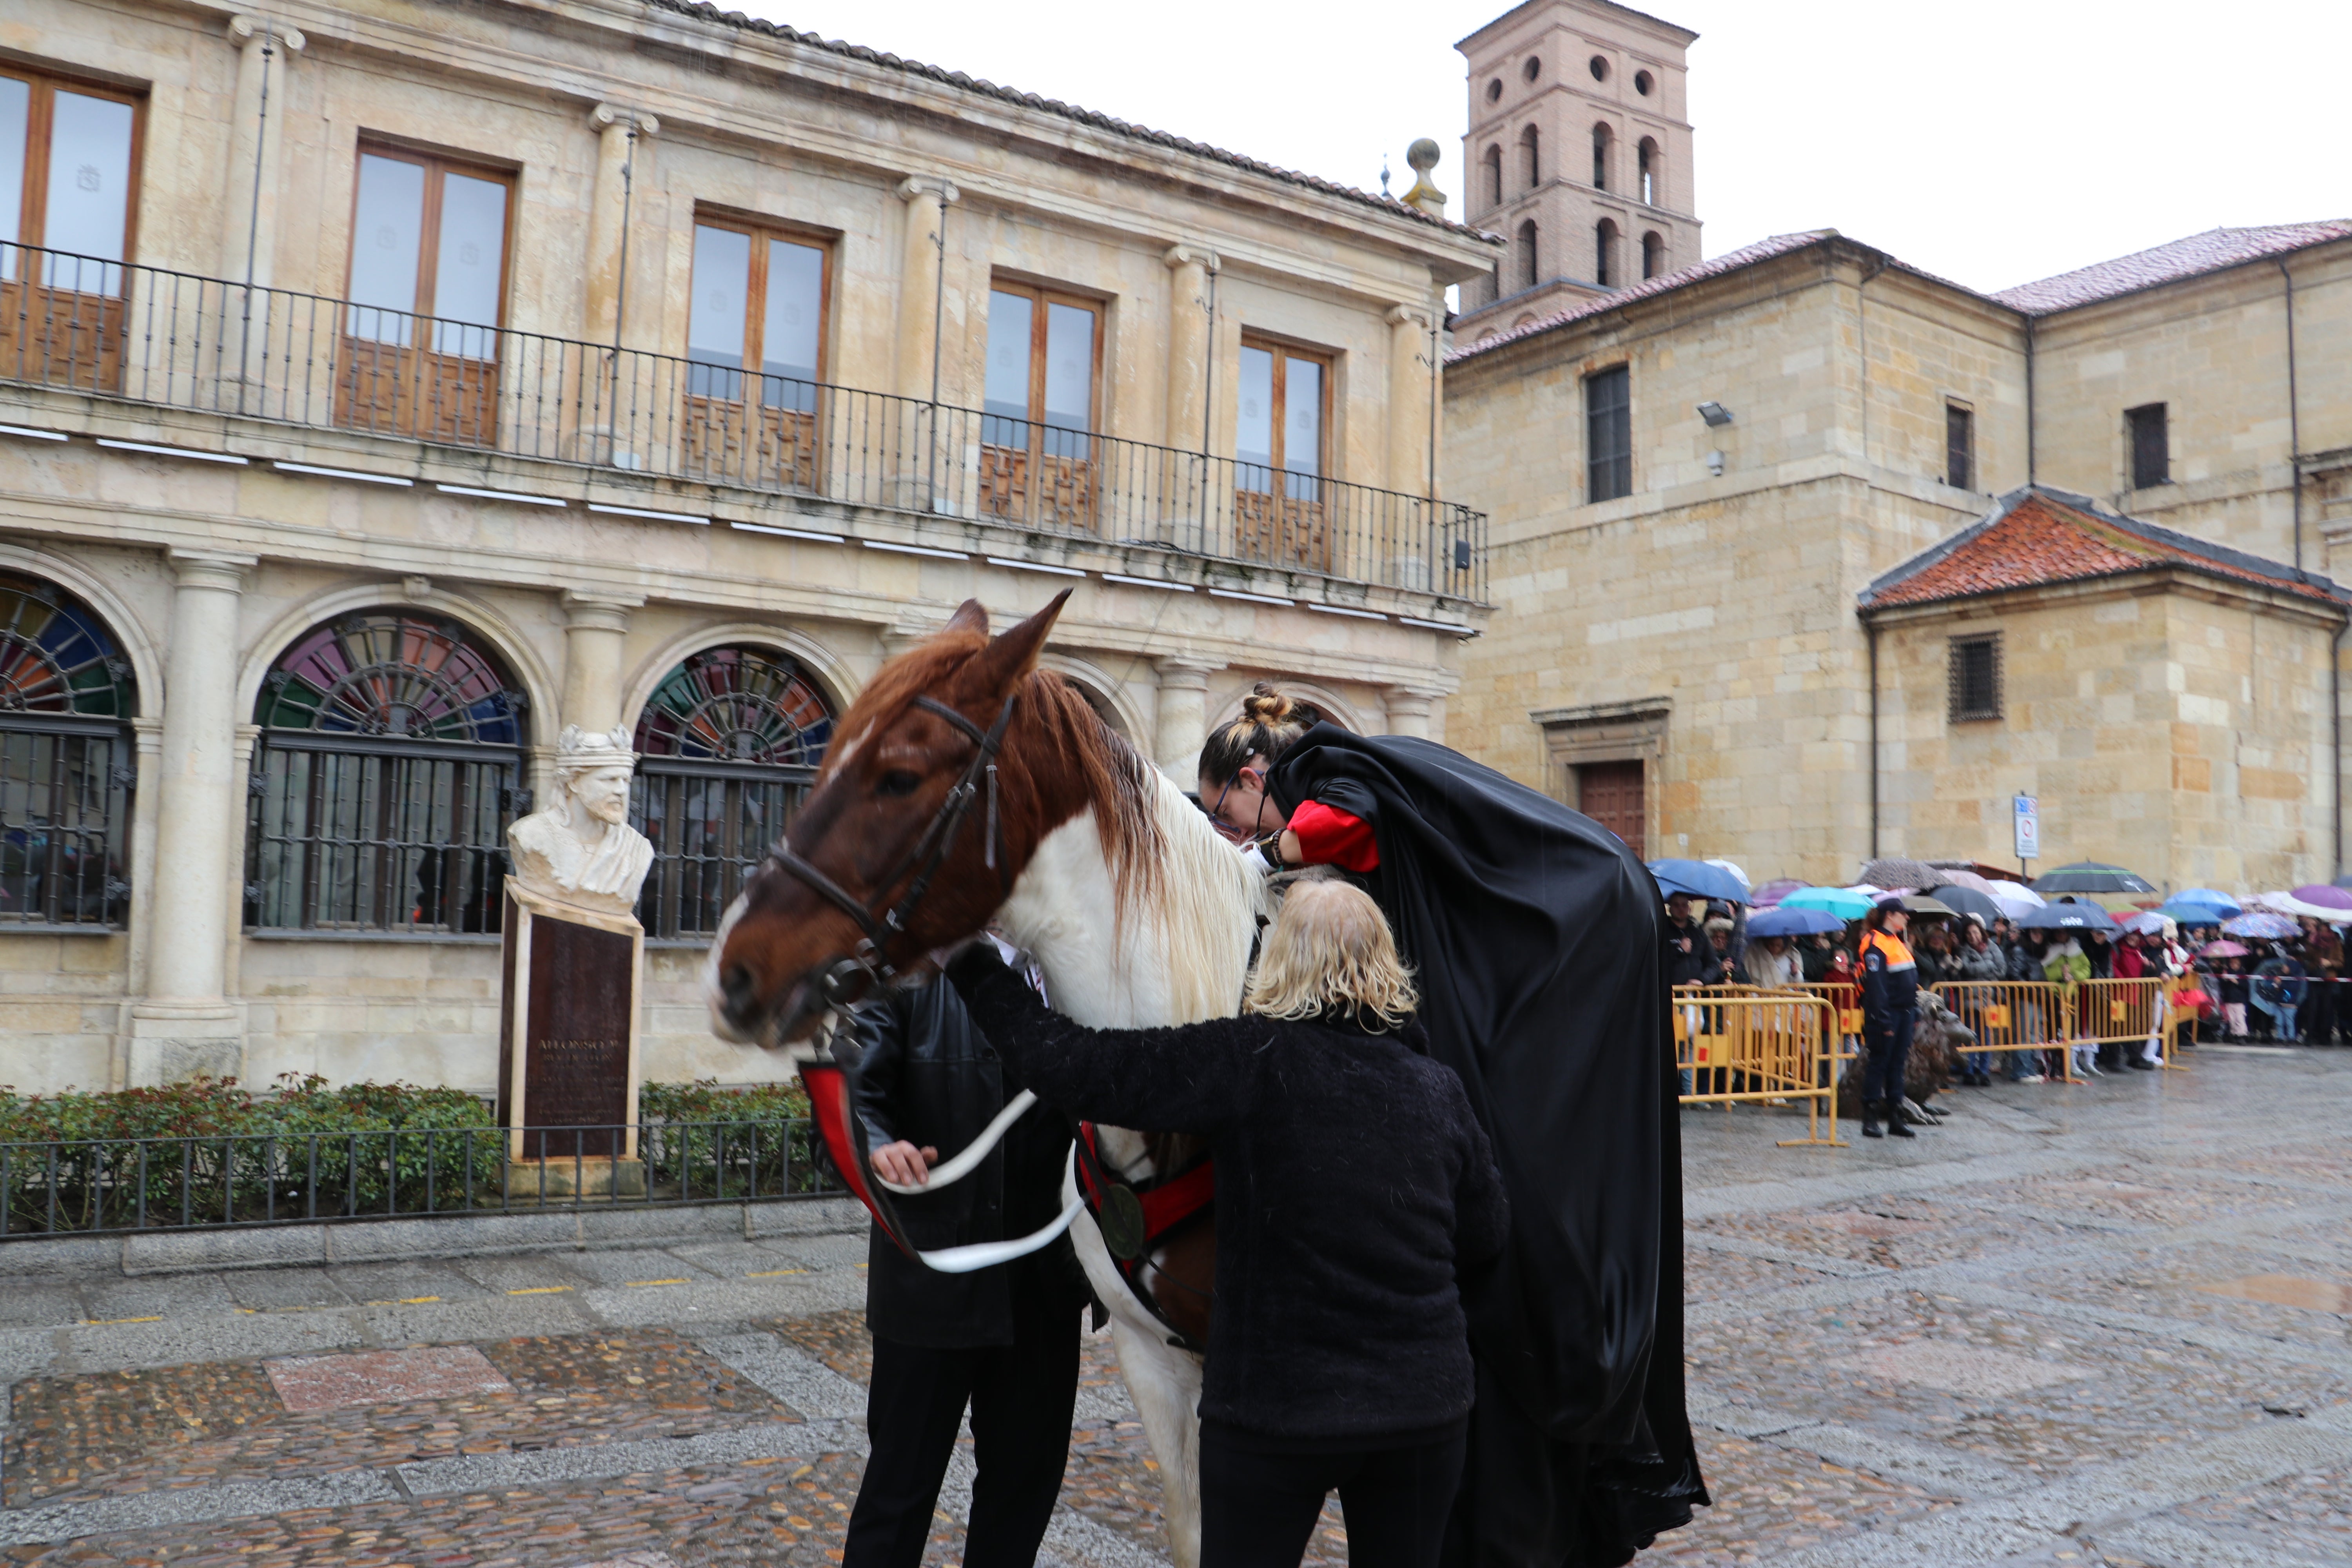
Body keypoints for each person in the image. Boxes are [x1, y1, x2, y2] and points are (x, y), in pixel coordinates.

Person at [1195, 685, 1708, 1564]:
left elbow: (1339, 827)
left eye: (1226, 811)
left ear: (1253, 775)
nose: (1231, 829)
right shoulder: (1348, 770)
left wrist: (1262, 855)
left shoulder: (1324, 766)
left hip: (1566, 935)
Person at [942, 880, 1510, 1568]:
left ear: (1276, 959)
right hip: (1422, 1414)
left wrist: (971, 962)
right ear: (1387, 962)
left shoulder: (1248, 1061)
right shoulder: (1437, 1088)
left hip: (1277, 1414)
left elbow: (1076, 1067)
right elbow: (1486, 1237)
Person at [841, 960, 1091, 1568]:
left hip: (1043, 1292)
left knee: (1022, 1495)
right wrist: (878, 1145)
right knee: (897, 1496)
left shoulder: (1074, 972)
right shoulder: (903, 970)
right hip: (932, 1286)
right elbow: (853, 1094)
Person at [1857, 903, 1921, 1138]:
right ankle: (1870, 1119)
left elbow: (1908, 979)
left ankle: (1896, 1117)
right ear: (1889, 915)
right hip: (1886, 1013)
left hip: (1904, 1012)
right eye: (1902, 914)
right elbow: (1877, 986)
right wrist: (1883, 1020)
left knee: (1897, 1065)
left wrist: (1914, 1010)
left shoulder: (1896, 942)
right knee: (1879, 1064)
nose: (1906, 917)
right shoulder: (1875, 943)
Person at [2007, 927, 2053, 1082]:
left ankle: (2029, 1069)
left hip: (2035, 997)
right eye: (2034, 933)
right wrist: (2030, 988)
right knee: (2024, 1035)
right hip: (2024, 998)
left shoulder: (2034, 952)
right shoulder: (2020, 951)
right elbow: (2015, 974)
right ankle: (2021, 1071)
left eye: (2040, 933)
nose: (2037, 936)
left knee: (2033, 1034)